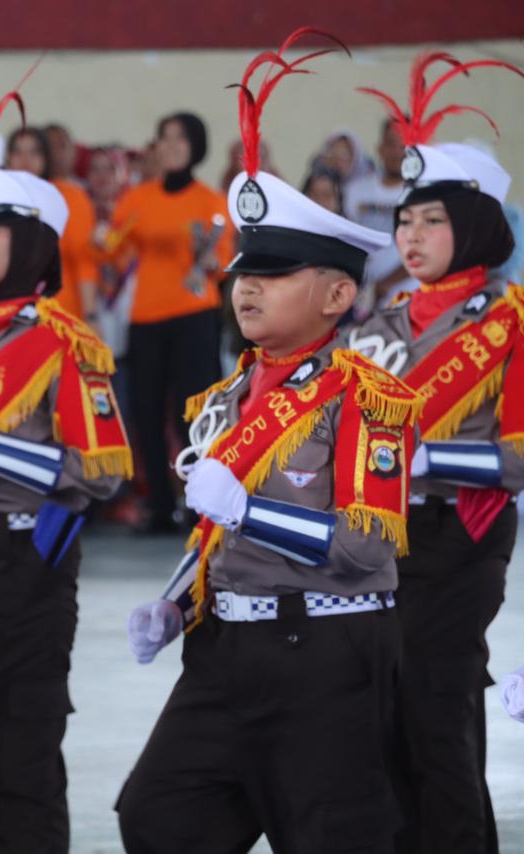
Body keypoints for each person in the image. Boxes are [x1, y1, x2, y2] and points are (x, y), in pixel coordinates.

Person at [117, 33, 419, 853]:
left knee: (331, 836)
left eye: (275, 274)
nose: (247, 285)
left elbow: (362, 547)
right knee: (158, 817)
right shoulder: (222, 401)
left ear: (338, 293)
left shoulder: (369, 397)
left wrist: (252, 509)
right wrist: (177, 605)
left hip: (326, 651)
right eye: (244, 271)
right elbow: (216, 532)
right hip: (225, 652)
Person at [0, 86, 132, 854]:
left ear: (32, 242)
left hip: (25, 563)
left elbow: (103, 470)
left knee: (17, 763)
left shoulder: (65, 343)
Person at [347, 52, 524, 854]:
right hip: (377, 543)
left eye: (433, 221)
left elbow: (520, 458)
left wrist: (430, 463)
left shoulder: (510, 324)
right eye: (404, 221)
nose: (410, 237)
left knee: (437, 719)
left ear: (478, 226)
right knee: (384, 724)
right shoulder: (380, 324)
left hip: (460, 541)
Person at [112, 111, 232, 532]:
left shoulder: (212, 201)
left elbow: (221, 264)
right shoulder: (137, 198)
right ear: (156, 147)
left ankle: (202, 504)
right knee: (145, 410)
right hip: (146, 316)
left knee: (196, 414)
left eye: (181, 138)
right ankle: (160, 506)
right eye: (165, 137)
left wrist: (208, 261)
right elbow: (113, 250)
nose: (172, 145)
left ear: (196, 145)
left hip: (195, 315)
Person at [9, 125, 99, 319]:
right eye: (17, 151)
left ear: (46, 158)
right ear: (7, 157)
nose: (25, 160)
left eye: (34, 152)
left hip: (60, 315)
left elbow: (84, 262)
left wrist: (91, 315)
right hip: (7, 314)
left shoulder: (70, 197)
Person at [343, 119, 414, 312]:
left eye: (404, 146)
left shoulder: (421, 195)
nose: (398, 152)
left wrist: (385, 285)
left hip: (408, 300)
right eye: (391, 144)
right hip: (361, 300)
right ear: (380, 148)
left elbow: (426, 248)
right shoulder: (355, 191)